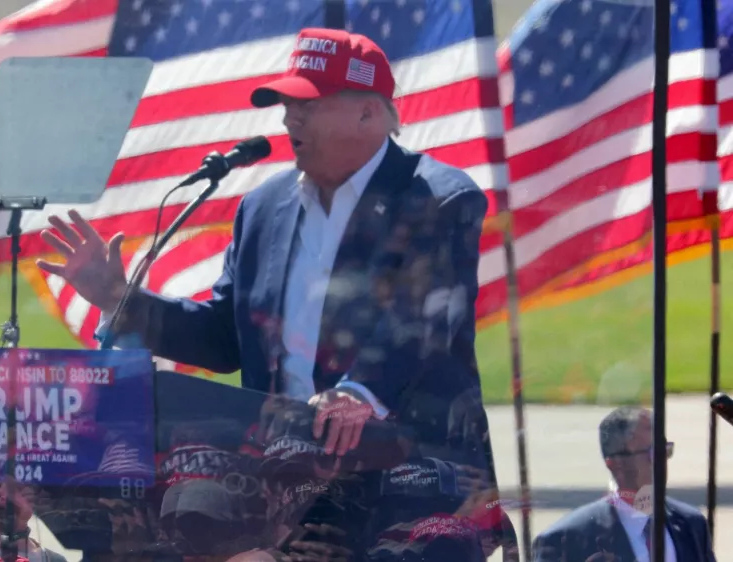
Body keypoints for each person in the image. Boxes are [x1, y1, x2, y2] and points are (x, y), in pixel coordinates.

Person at [38, 26, 494, 555]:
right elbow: (223, 337)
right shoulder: (263, 208)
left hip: (407, 475)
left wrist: (358, 393)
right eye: (284, 103)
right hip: (281, 477)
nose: (288, 118)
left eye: (307, 104)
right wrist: (122, 301)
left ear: (369, 113)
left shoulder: (438, 197)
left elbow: (424, 322)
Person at [532, 406, 716, 562]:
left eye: (665, 450)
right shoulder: (567, 540)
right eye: (652, 453)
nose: (661, 461)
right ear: (615, 463)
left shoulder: (691, 525)